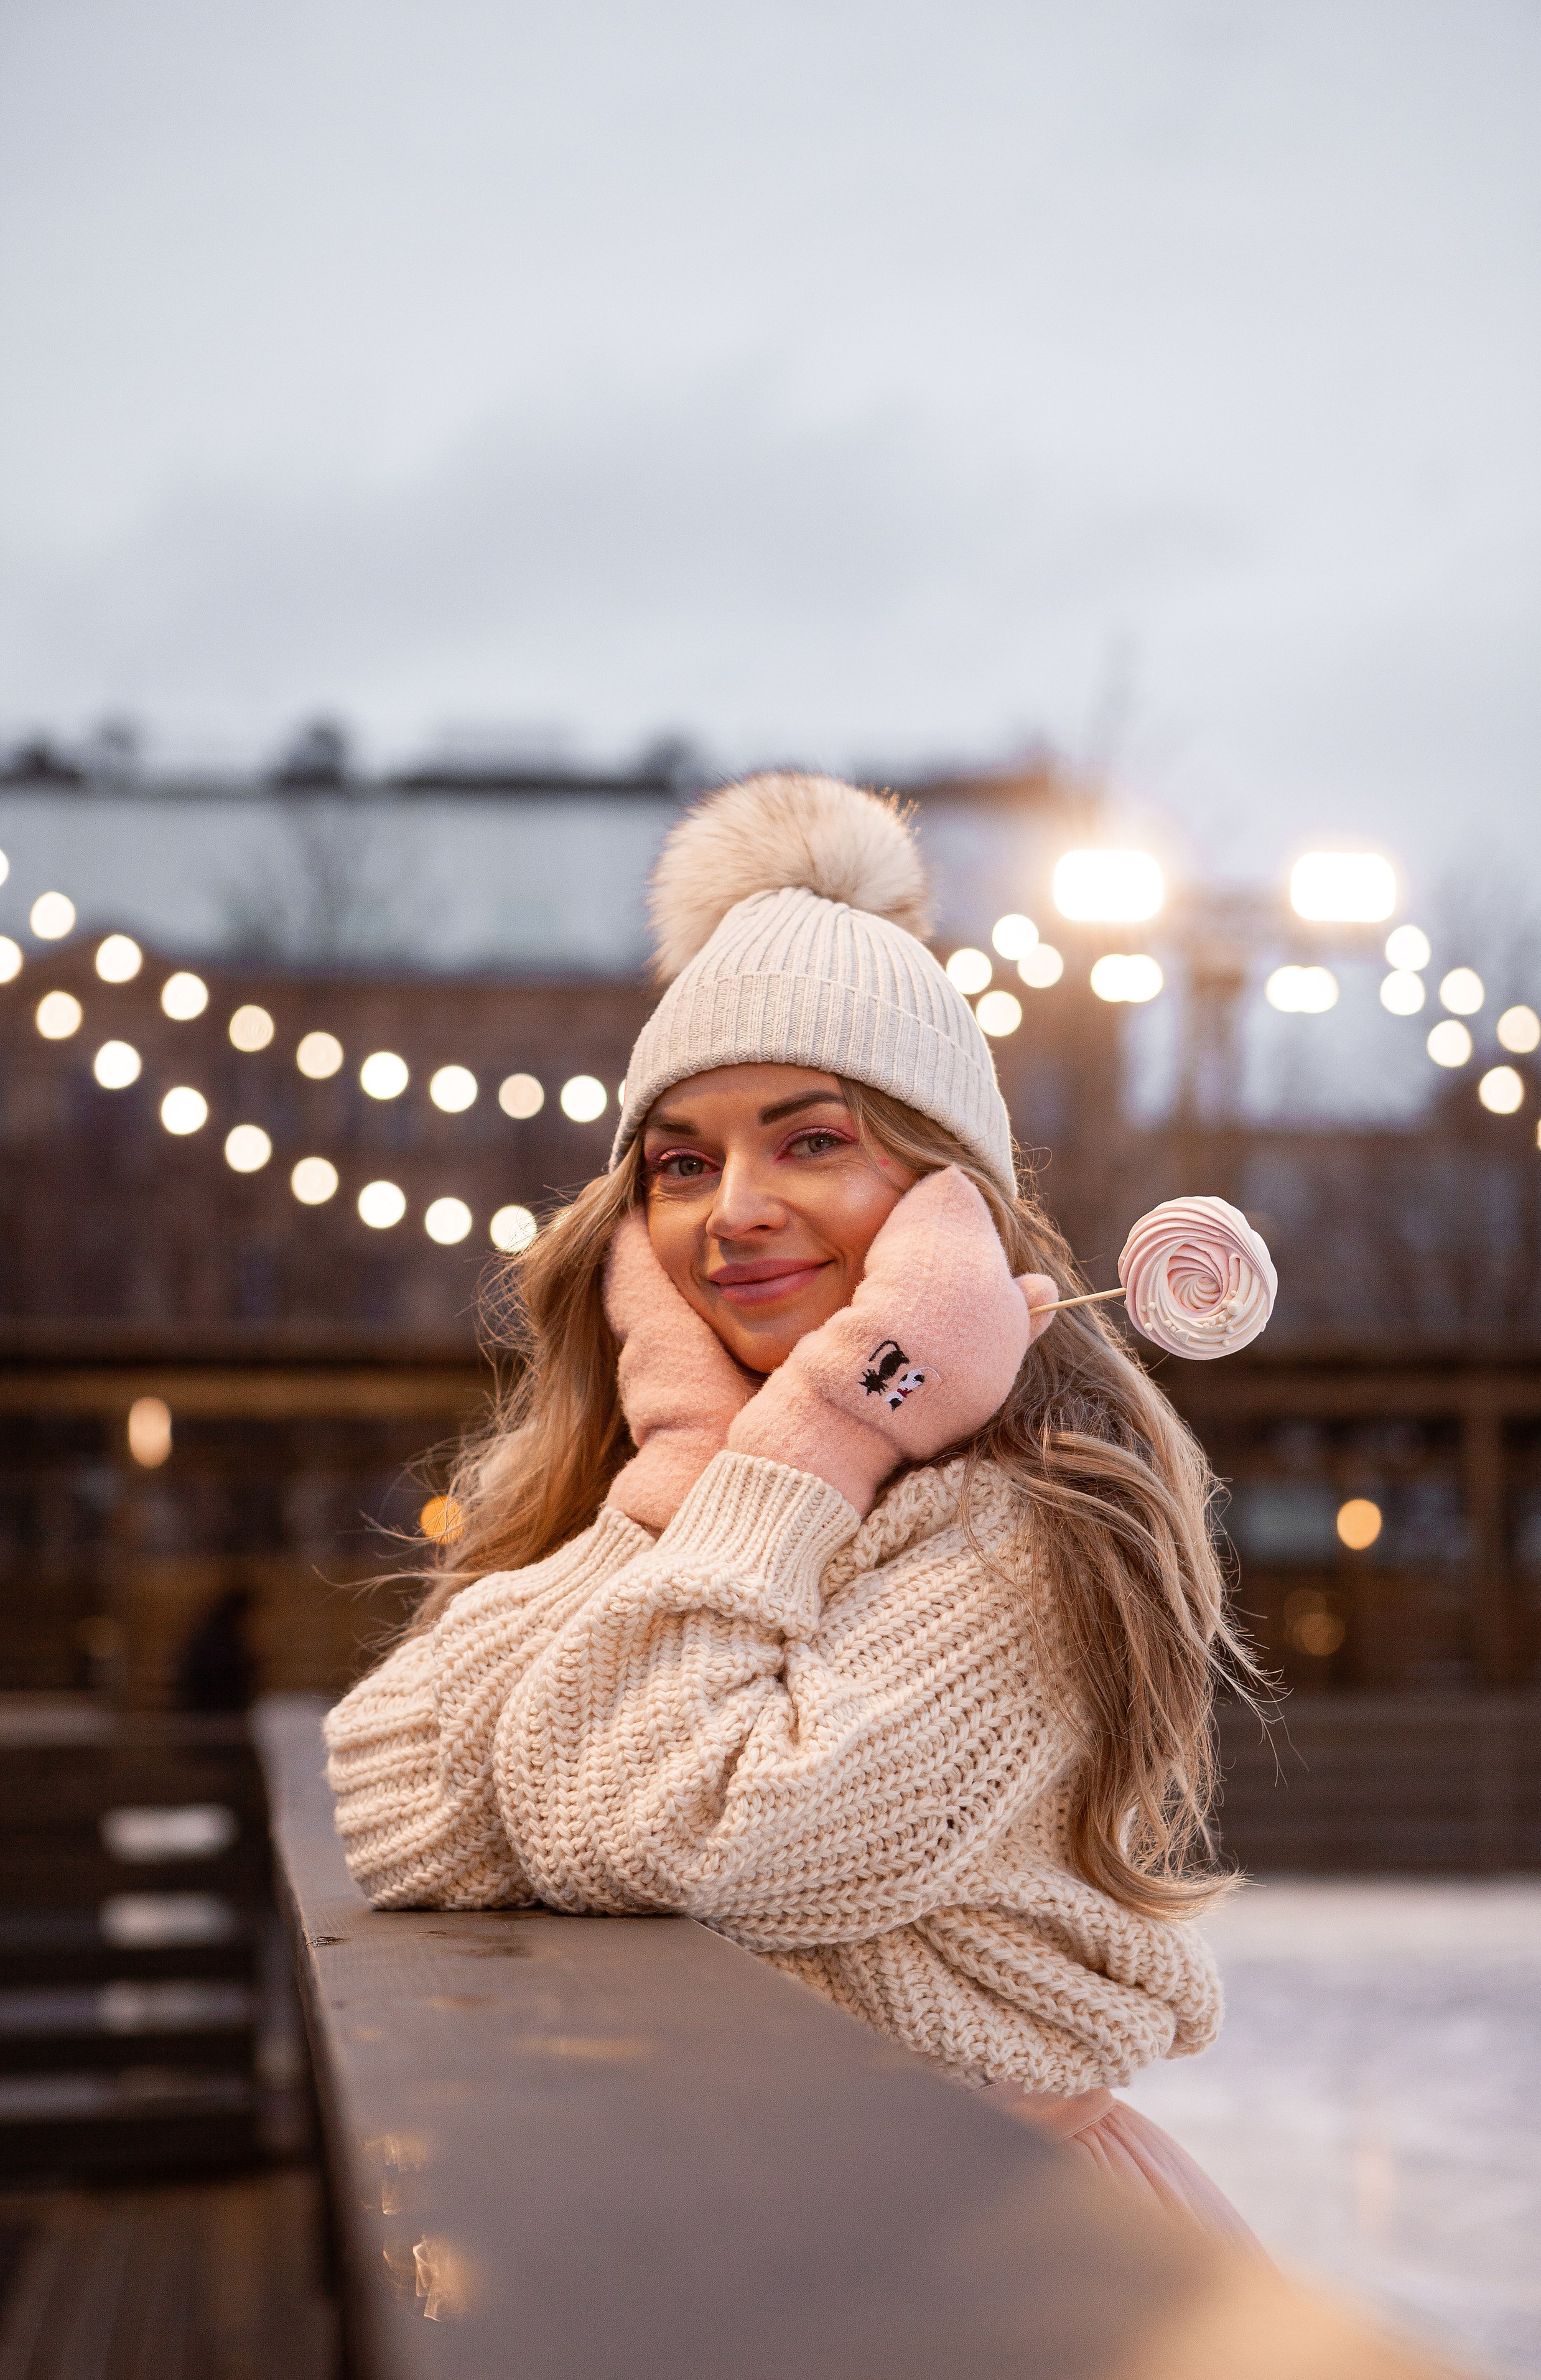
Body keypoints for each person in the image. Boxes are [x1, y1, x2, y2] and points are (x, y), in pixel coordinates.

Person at [324, 771, 1259, 2246]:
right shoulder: (682, 1463)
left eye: (809, 1139)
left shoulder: (1028, 1523)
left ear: (945, 1192)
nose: (732, 1209)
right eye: (681, 1163)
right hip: (721, 2225)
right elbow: (396, 1800)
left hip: (975, 2249)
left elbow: (683, 1834)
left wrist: (813, 1431)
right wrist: (691, 1461)